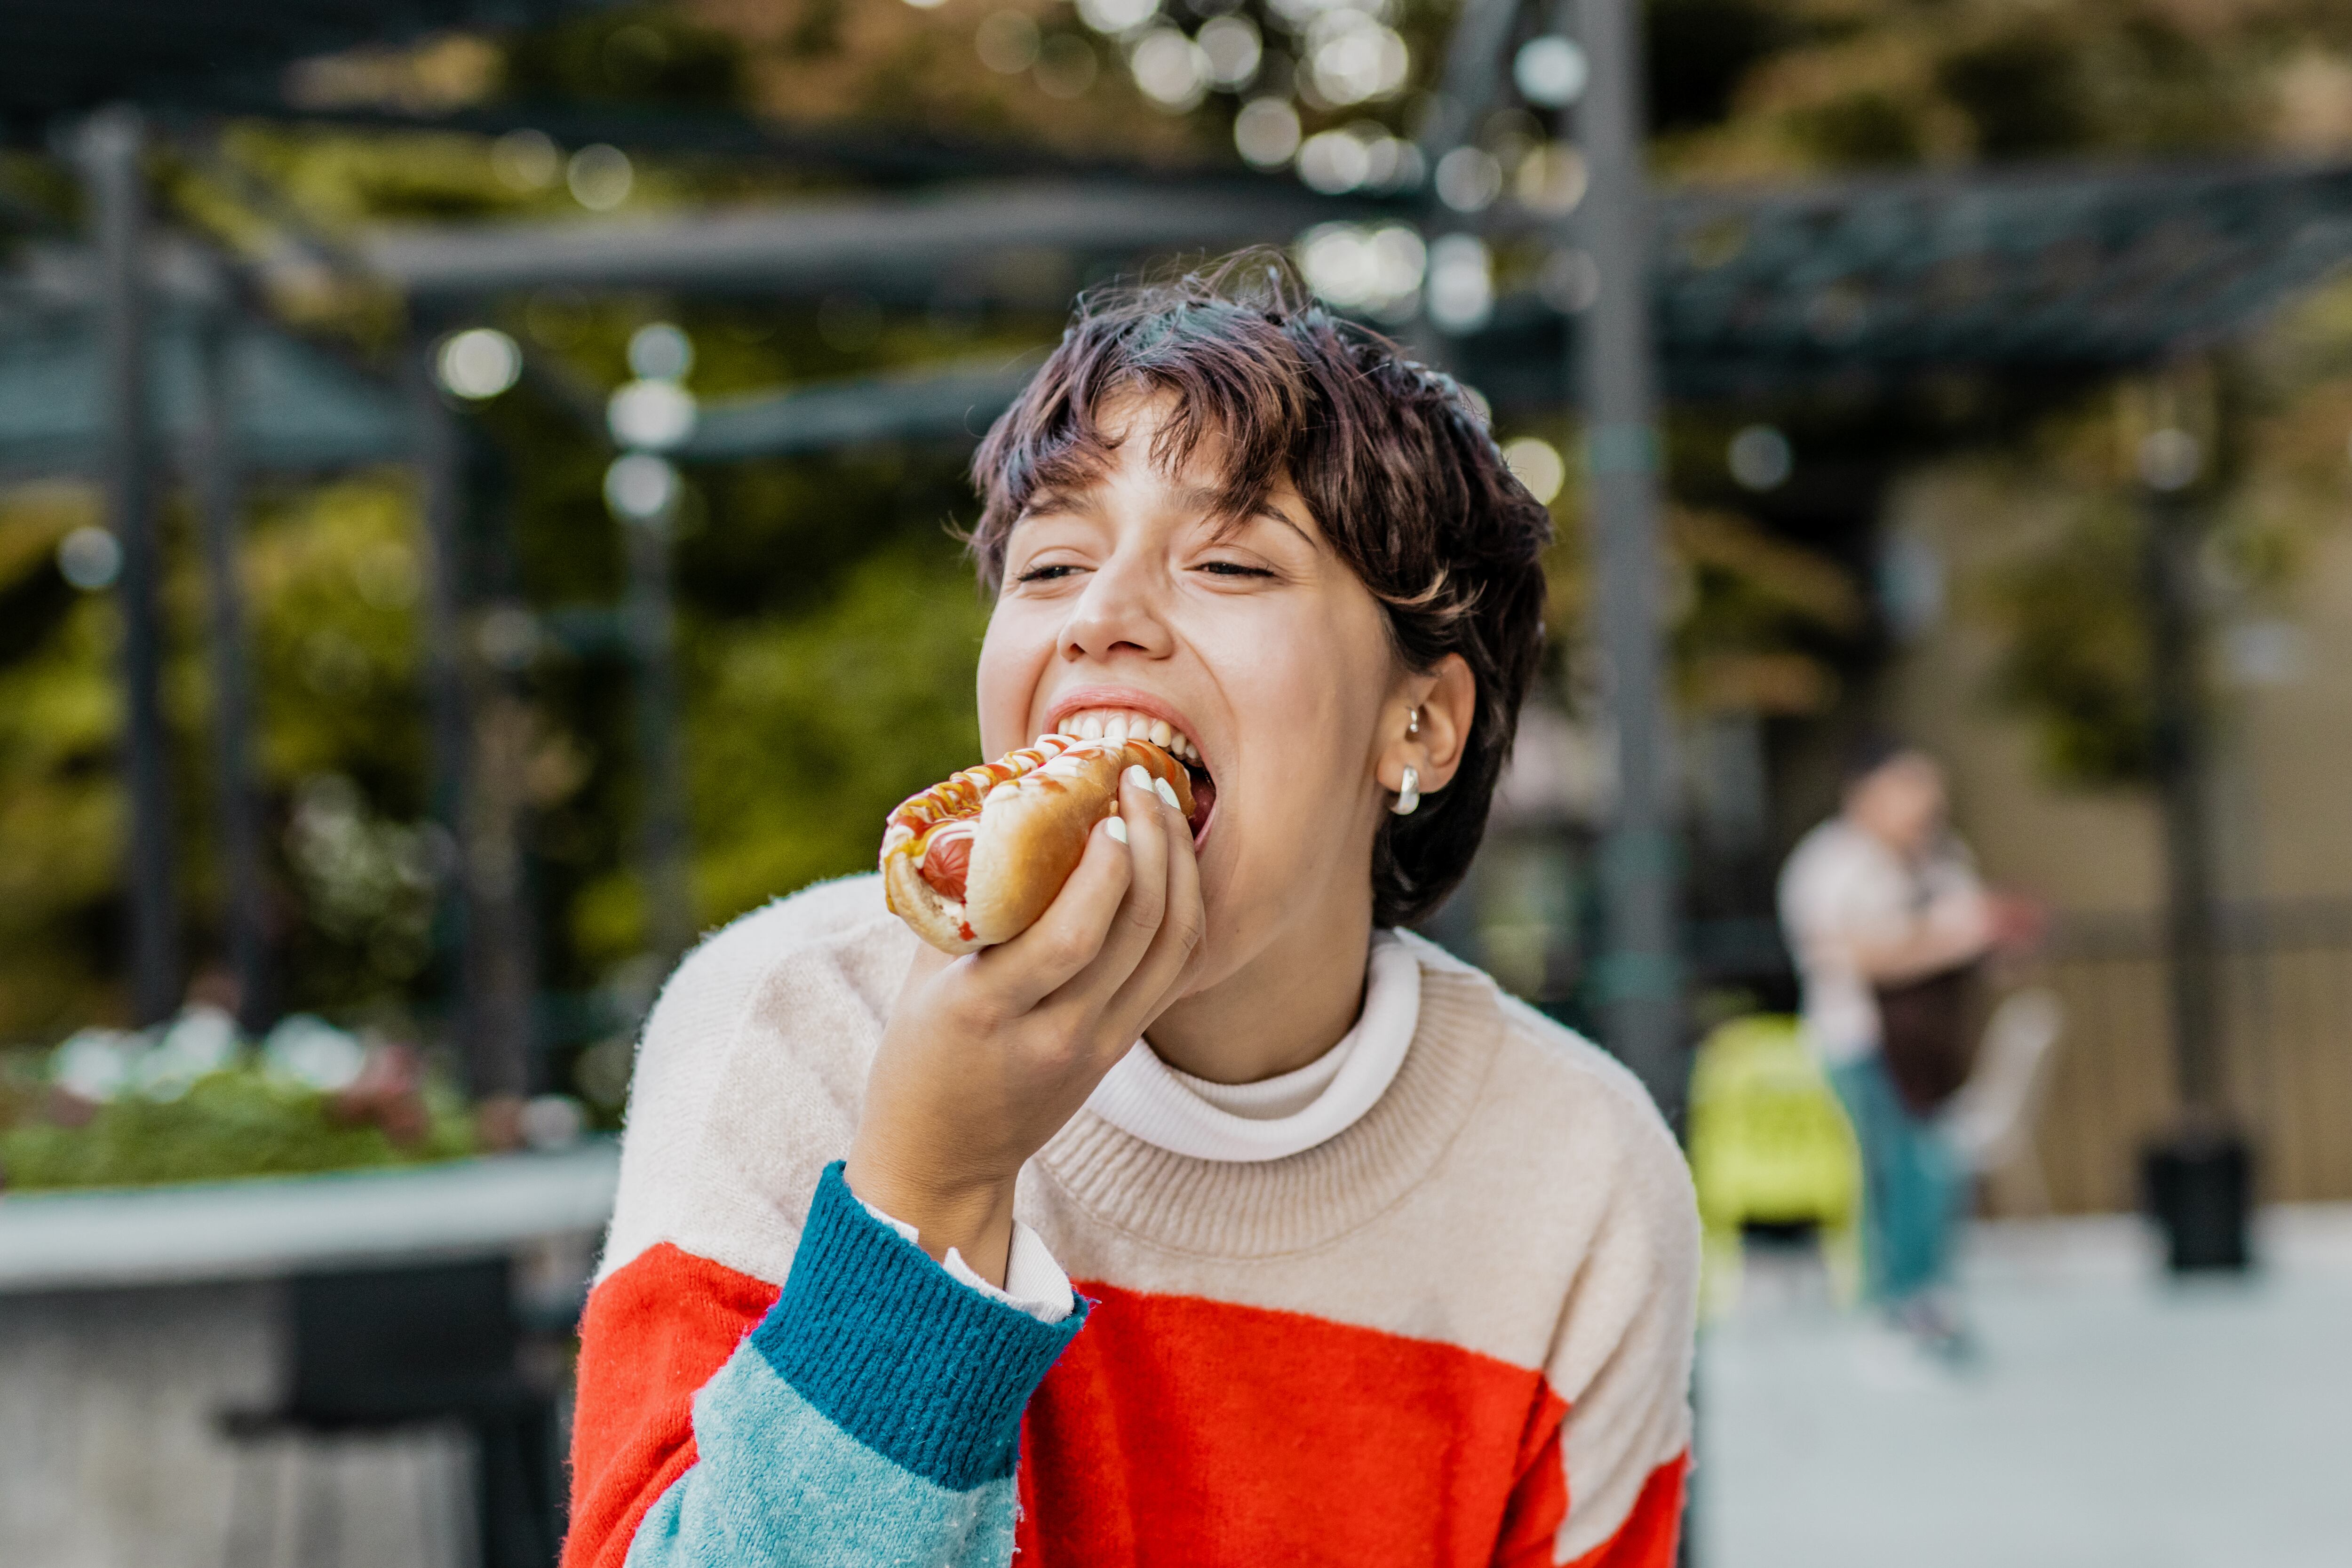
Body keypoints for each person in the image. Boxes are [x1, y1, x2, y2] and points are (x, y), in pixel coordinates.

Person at [564, 259, 1699, 1568]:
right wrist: (932, 1189)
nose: (1103, 616)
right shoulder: (790, 1023)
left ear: (1422, 720)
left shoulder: (1580, 1174)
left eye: (1228, 559)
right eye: (1051, 561)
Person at [1777, 741, 2022, 1355]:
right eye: (1909, 787)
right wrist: (1952, 936)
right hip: (1861, 1042)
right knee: (1890, 1171)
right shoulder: (1831, 865)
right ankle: (1892, 1308)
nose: (1926, 802)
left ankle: (1930, 1299)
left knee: (1933, 1170)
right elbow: (1864, 955)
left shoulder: (1942, 857)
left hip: (1934, 1048)